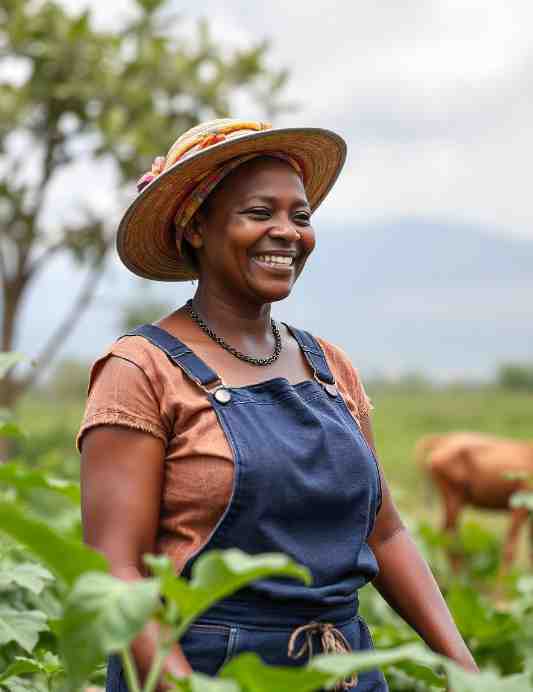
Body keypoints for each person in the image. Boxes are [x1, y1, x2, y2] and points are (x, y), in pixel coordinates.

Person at [78, 118, 478, 692]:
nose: (287, 232)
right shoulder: (142, 369)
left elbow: (384, 533)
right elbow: (117, 574)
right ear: (196, 226)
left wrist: (465, 670)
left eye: (301, 216)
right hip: (202, 671)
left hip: (342, 667)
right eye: (259, 213)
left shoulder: (329, 366)